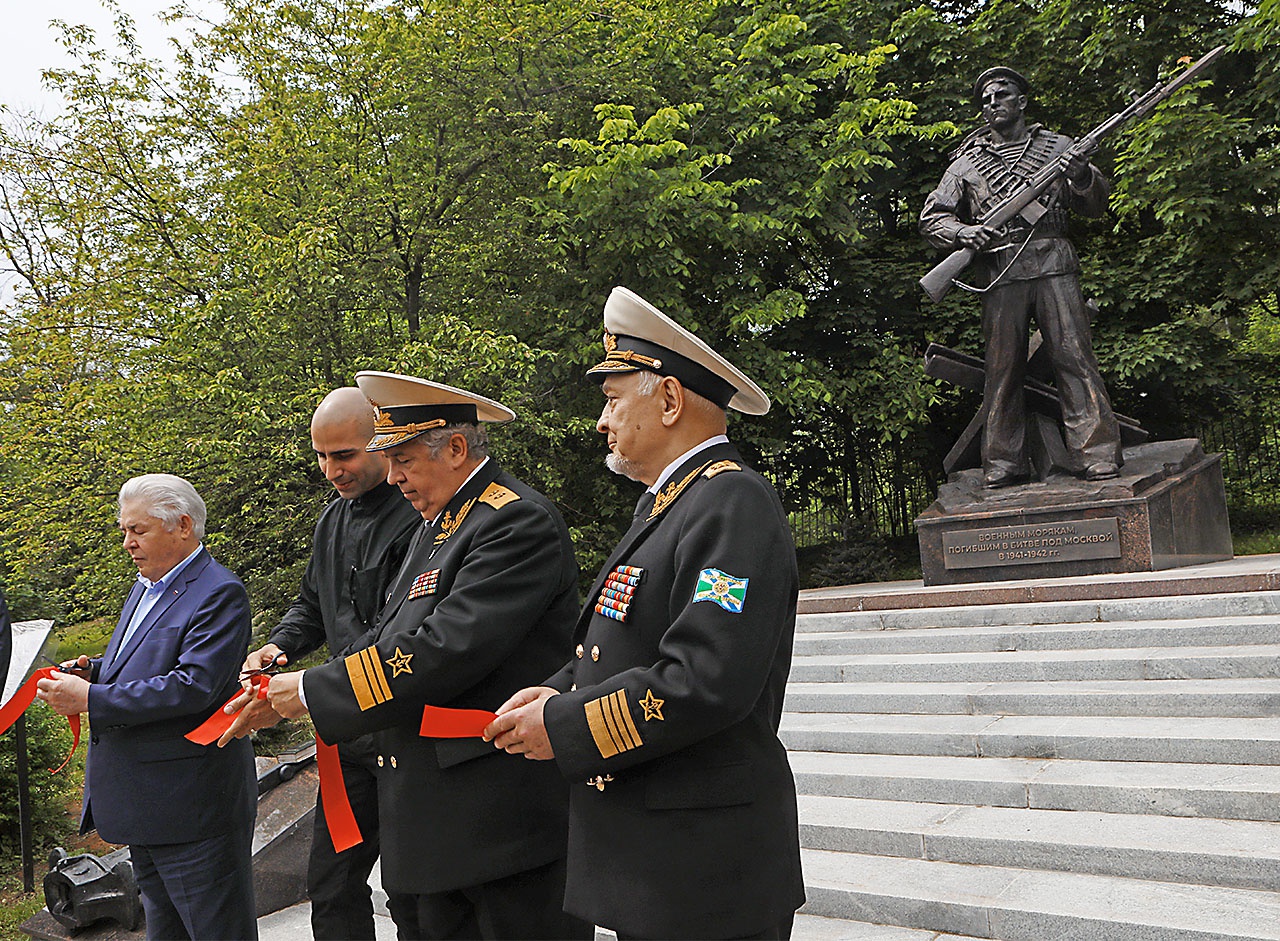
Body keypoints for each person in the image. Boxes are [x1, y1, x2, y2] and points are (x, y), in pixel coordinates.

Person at [485, 286, 806, 940]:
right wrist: (557, 689)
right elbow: (628, 644)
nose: (601, 422)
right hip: (663, 860)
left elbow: (705, 679)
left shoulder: (731, 503)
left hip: (705, 867)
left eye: (611, 399)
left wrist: (566, 723)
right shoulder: (669, 506)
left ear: (667, 398)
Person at [237, 371, 590, 941]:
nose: (394, 477)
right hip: (435, 813)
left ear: (455, 448)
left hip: (498, 823)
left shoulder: (513, 521)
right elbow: (386, 633)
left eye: (402, 458)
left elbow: (440, 650)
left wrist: (307, 693)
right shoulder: (440, 521)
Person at [229, 387, 421, 940]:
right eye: (322, 456)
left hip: (402, 731)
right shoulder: (332, 519)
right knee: (332, 884)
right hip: (346, 735)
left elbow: (398, 639)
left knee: (412, 893)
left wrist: (308, 688)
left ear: (383, 445)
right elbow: (314, 605)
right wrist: (280, 648)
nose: (331, 470)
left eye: (345, 455)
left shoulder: (420, 519)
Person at [37, 474, 257, 941]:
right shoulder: (146, 584)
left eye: (138, 530)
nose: (127, 543)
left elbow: (194, 686)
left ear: (182, 526)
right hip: (147, 807)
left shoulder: (219, 592)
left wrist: (91, 699)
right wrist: (95, 671)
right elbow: (143, 661)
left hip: (192, 809)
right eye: (124, 530)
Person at [920, 66, 1123, 488]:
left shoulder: (1060, 148)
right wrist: (964, 231)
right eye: (986, 99)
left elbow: (1094, 206)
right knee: (1003, 369)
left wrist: (1082, 175)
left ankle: (1097, 453)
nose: (993, 103)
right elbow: (932, 217)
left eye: (1002, 95)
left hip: (1053, 262)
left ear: (1022, 102)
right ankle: (1003, 462)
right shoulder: (966, 164)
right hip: (1001, 268)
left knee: (1074, 359)